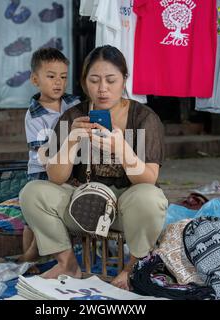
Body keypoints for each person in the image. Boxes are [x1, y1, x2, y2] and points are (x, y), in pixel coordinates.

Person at [20, 45, 168, 290]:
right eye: (94, 80)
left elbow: (149, 178)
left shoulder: (144, 118)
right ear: (84, 82)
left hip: (125, 208)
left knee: (150, 197)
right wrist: (72, 140)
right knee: (33, 192)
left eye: (111, 80)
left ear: (124, 80)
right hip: (82, 207)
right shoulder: (73, 117)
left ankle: (132, 268)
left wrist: (121, 149)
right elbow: (55, 178)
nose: (102, 89)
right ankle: (68, 263)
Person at [18, 48, 81, 266]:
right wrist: (58, 171)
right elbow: (42, 152)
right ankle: (29, 255)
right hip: (41, 168)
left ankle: (41, 252)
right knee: (31, 217)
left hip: (68, 165)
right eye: (51, 76)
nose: (58, 83)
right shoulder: (35, 115)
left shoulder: (73, 104)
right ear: (35, 80)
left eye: (63, 77)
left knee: (55, 209)